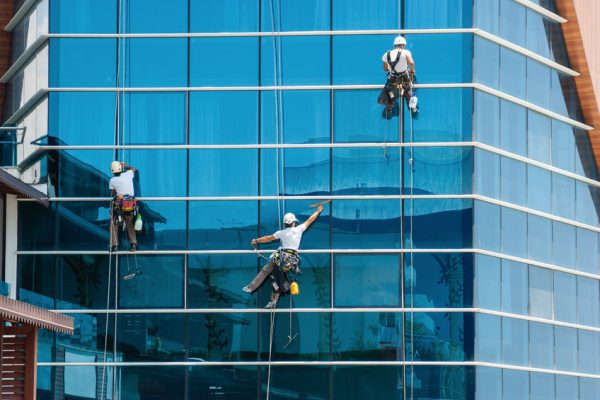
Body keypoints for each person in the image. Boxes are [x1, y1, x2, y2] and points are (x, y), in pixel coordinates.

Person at [243, 204, 324, 308]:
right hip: (292, 260)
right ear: (294, 222)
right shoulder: (299, 230)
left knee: (266, 271)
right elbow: (310, 220)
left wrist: (256, 240)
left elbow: (268, 238)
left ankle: (251, 287)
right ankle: (273, 301)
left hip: (281, 258)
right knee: (277, 277)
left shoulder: (281, 233)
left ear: (285, 224)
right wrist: (318, 210)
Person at [378, 35, 418, 115]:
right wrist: (412, 71)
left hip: (392, 80)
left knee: (391, 94)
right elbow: (411, 63)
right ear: (403, 45)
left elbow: (385, 69)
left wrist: (392, 68)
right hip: (404, 78)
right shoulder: (406, 52)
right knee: (408, 91)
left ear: (394, 45)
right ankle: (412, 108)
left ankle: (389, 107)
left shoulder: (386, 54)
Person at [109, 161, 138, 252]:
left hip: (120, 205)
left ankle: (115, 246)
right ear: (120, 169)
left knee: (114, 224)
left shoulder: (112, 180)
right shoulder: (128, 174)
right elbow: (133, 168)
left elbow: (113, 193)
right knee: (129, 224)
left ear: (113, 171)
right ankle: (133, 244)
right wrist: (125, 166)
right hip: (129, 204)